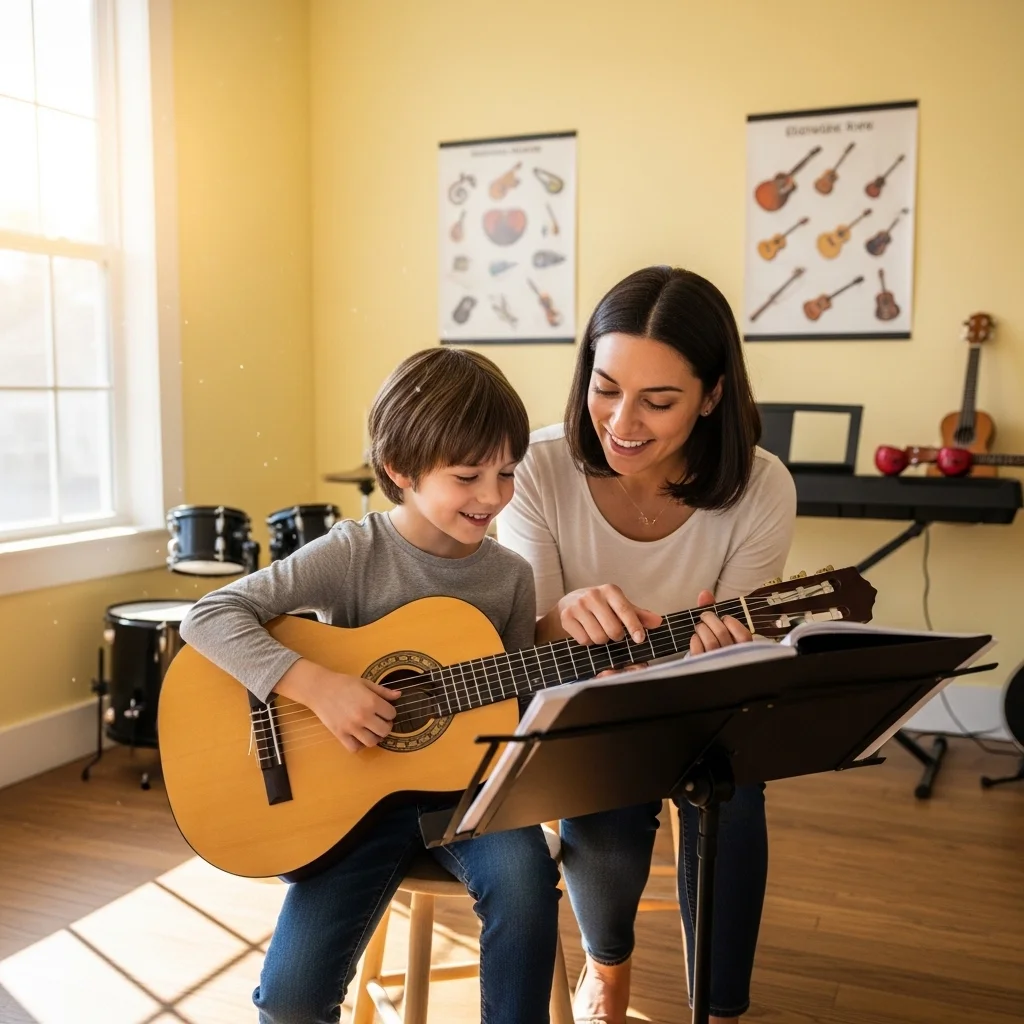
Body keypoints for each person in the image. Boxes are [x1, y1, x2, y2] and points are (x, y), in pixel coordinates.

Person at [180, 348, 562, 1024]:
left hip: (470, 796)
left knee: (529, 885)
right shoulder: (355, 553)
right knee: (292, 1003)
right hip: (351, 808)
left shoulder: (509, 577)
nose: (494, 496)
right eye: (468, 475)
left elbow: (518, 702)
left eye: (506, 473)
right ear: (400, 470)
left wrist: (587, 663)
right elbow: (209, 615)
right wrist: (317, 686)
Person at [497, 266, 797, 1024]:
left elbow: (743, 643)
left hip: (698, 706)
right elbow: (521, 643)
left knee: (732, 792)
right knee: (602, 782)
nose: (622, 422)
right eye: (605, 388)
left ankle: (721, 1007)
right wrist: (562, 612)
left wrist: (730, 651)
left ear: (714, 395)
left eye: (659, 401)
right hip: (582, 703)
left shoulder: (762, 487)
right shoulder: (536, 467)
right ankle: (609, 965)